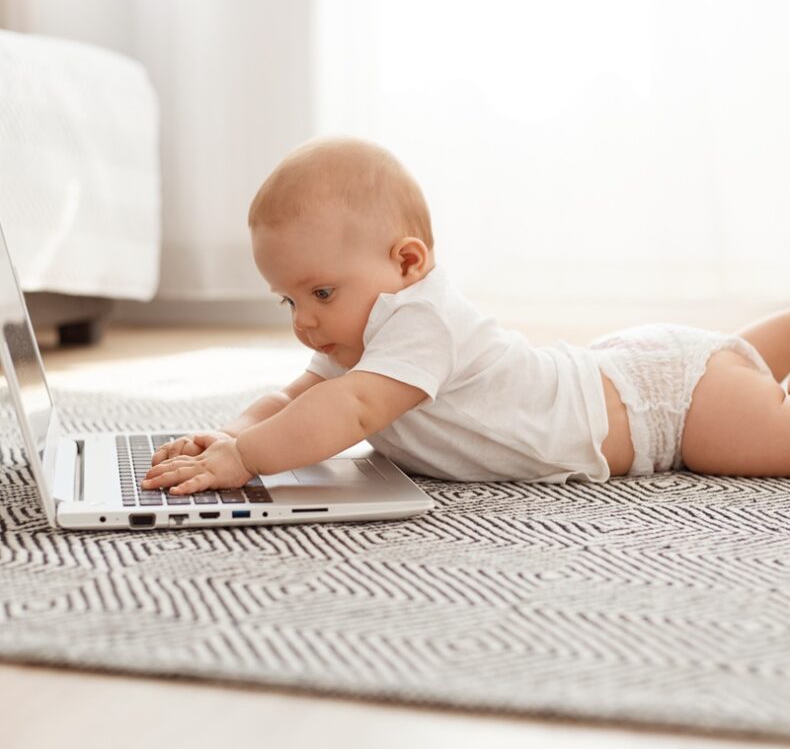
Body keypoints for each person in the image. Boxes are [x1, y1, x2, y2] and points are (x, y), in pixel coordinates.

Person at [143, 136, 790, 496]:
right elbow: (295, 397)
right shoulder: (357, 337)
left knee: (767, 435)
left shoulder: (422, 320)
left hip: (670, 410)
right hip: (627, 364)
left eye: (320, 294)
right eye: (289, 300)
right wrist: (226, 436)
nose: (304, 322)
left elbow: (353, 412)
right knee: (730, 357)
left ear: (407, 262)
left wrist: (247, 459)